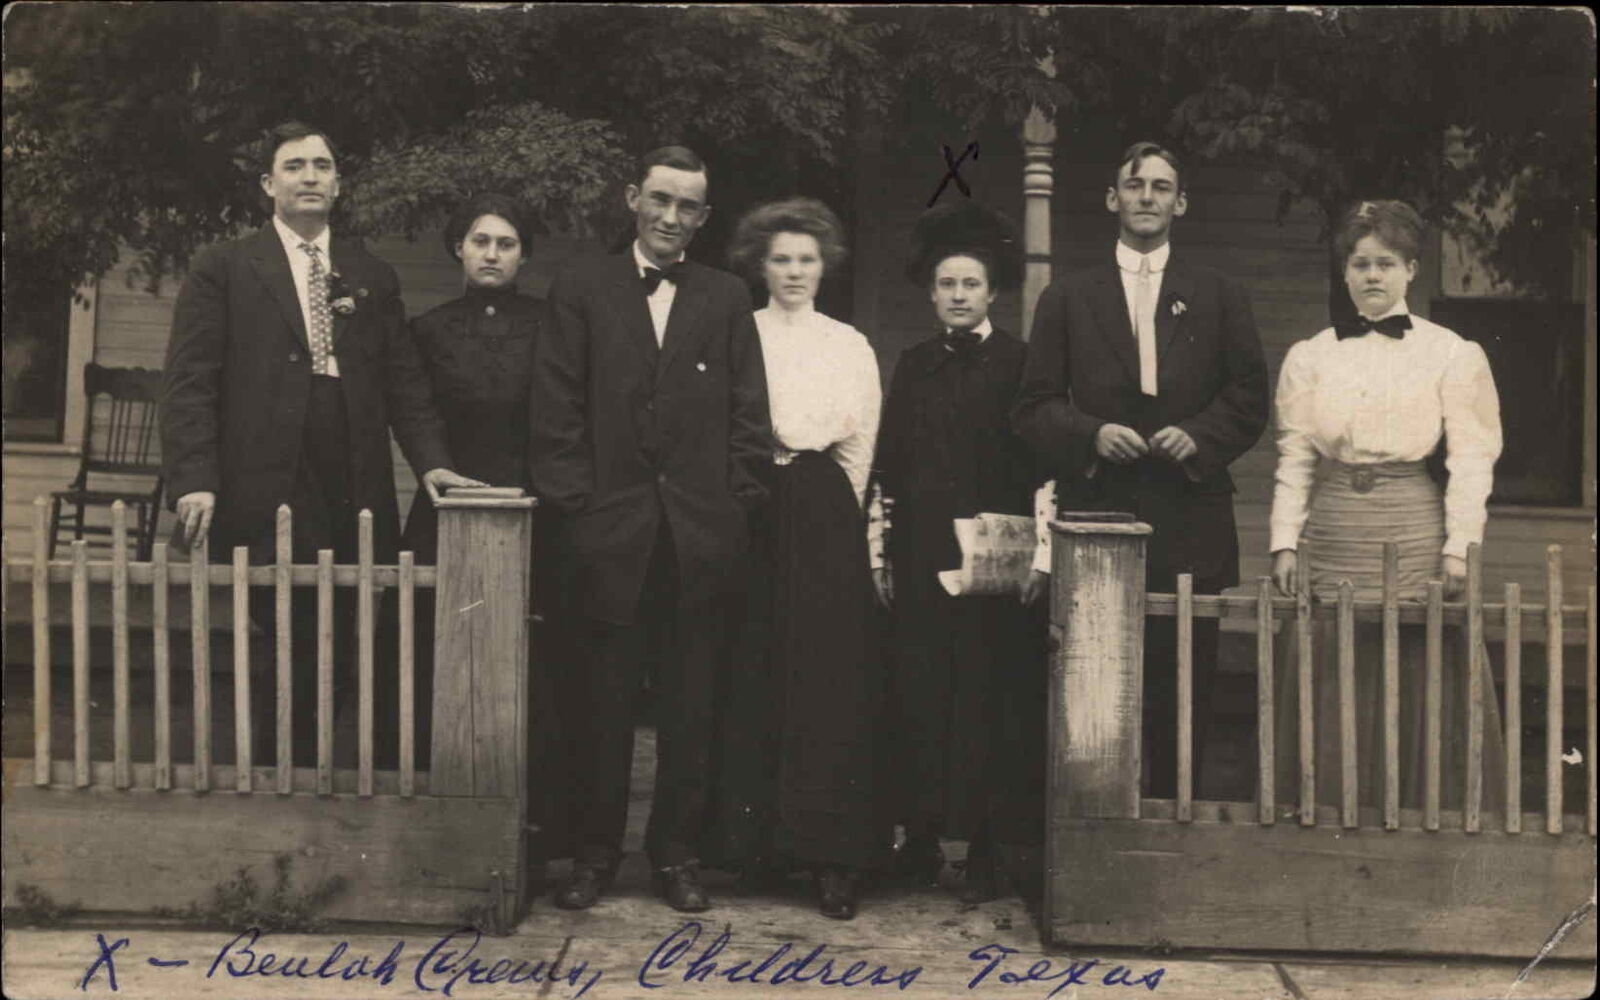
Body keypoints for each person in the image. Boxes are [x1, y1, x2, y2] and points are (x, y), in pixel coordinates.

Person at [161, 121, 479, 764]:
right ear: (267, 184)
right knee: (280, 628)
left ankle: (311, 775)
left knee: (344, 629)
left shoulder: (370, 273)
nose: (311, 176)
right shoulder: (224, 267)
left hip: (351, 467)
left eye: (323, 166)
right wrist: (195, 476)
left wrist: (434, 466)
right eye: (295, 165)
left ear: (338, 183)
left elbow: (405, 385)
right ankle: (275, 771)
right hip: (266, 470)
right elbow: (190, 382)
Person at [529, 145, 772, 913]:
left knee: (689, 706)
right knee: (599, 705)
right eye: (660, 200)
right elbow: (556, 410)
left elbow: (748, 414)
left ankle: (676, 855)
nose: (671, 218)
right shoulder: (581, 286)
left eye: (688, 207)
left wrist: (733, 504)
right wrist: (581, 510)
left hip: (699, 540)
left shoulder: (727, 296)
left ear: (703, 217)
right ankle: (595, 856)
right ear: (634, 197)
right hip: (608, 538)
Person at [1013, 141, 1269, 802]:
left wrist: (1201, 435)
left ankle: (1176, 835)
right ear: (1113, 199)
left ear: (1180, 203)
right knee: (1096, 687)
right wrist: (1092, 434)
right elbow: (1034, 406)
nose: (1147, 197)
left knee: (1185, 687)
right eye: (1135, 185)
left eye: (1161, 187)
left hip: (1192, 514)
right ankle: (1095, 839)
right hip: (1100, 514)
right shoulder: (1070, 298)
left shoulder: (1219, 295)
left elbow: (1248, 397)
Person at [1269, 199, 1505, 817]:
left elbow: (1472, 459)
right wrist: (1284, 541)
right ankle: (1330, 811)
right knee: (1332, 658)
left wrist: (1459, 548)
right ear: (1344, 273)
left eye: (1386, 263)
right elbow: (1294, 456)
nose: (1372, 276)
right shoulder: (1311, 355)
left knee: (1415, 661)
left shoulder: (1451, 353)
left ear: (1411, 271)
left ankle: (1419, 812)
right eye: (1360, 263)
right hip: (1338, 521)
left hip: (1412, 522)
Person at [703, 198, 883, 919]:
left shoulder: (848, 342)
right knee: (753, 663)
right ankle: (755, 847)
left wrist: (835, 517)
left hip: (821, 505)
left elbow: (861, 447)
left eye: (807, 259)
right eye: (781, 259)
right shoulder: (735, 333)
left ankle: (831, 856)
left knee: (825, 676)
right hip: (750, 502)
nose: (795, 271)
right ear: (760, 265)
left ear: (825, 265)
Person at [376, 193, 567, 860]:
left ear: (524, 255)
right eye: (480, 241)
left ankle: (536, 821)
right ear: (458, 248)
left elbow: (562, 414)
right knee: (431, 648)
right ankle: (430, 803)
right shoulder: (428, 330)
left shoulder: (551, 327)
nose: (491, 253)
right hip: (448, 505)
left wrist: (542, 487)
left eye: (506, 243)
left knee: (531, 661)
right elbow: (413, 407)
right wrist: (435, 469)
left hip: (531, 509)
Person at [872, 201, 1048, 904]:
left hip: (992, 565)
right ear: (931, 292)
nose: (957, 295)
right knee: (918, 694)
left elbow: (1043, 467)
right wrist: (881, 554)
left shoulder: (1020, 364)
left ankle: (983, 848)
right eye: (946, 284)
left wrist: (1039, 557)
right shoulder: (912, 366)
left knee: (987, 699)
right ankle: (917, 838)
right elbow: (887, 466)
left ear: (992, 292)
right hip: (920, 557)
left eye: (970, 284)